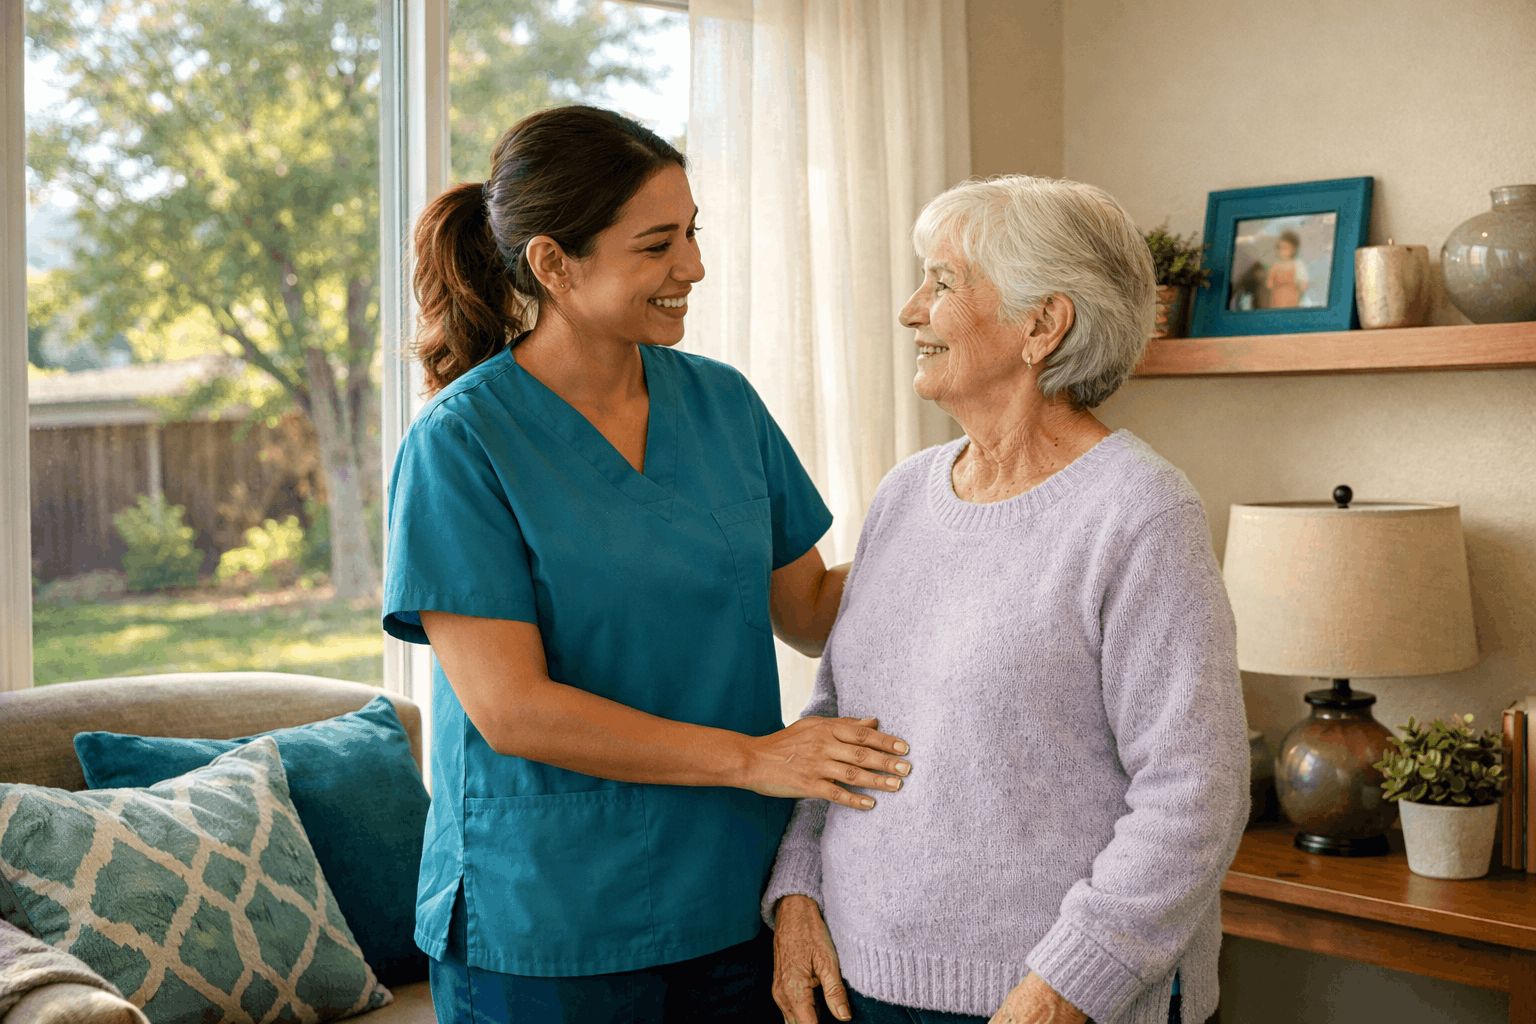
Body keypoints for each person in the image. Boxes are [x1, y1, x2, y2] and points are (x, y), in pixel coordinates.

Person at [382, 105, 912, 1024]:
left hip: (729, 894)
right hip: (549, 918)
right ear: (553, 264)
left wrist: (969, 534)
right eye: (658, 245)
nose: (694, 268)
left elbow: (812, 606)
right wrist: (754, 759)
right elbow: (513, 710)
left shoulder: (723, 405)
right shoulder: (461, 443)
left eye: (693, 234)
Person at [764, 175, 1250, 1024]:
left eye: (943, 282)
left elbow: (1193, 795)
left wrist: (1063, 990)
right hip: (858, 982)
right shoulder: (907, 493)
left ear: (1043, 323)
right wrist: (798, 892)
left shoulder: (1139, 512)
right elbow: (837, 720)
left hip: (1049, 1001)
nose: (913, 309)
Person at [1263, 230, 1307, 308]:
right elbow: (1269, 284)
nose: (1281, 251)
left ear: (1293, 249)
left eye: (1285, 248)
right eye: (1279, 248)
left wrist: (1298, 291)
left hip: (1292, 300)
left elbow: (1303, 284)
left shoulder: (1297, 265)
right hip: (1276, 299)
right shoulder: (1275, 266)